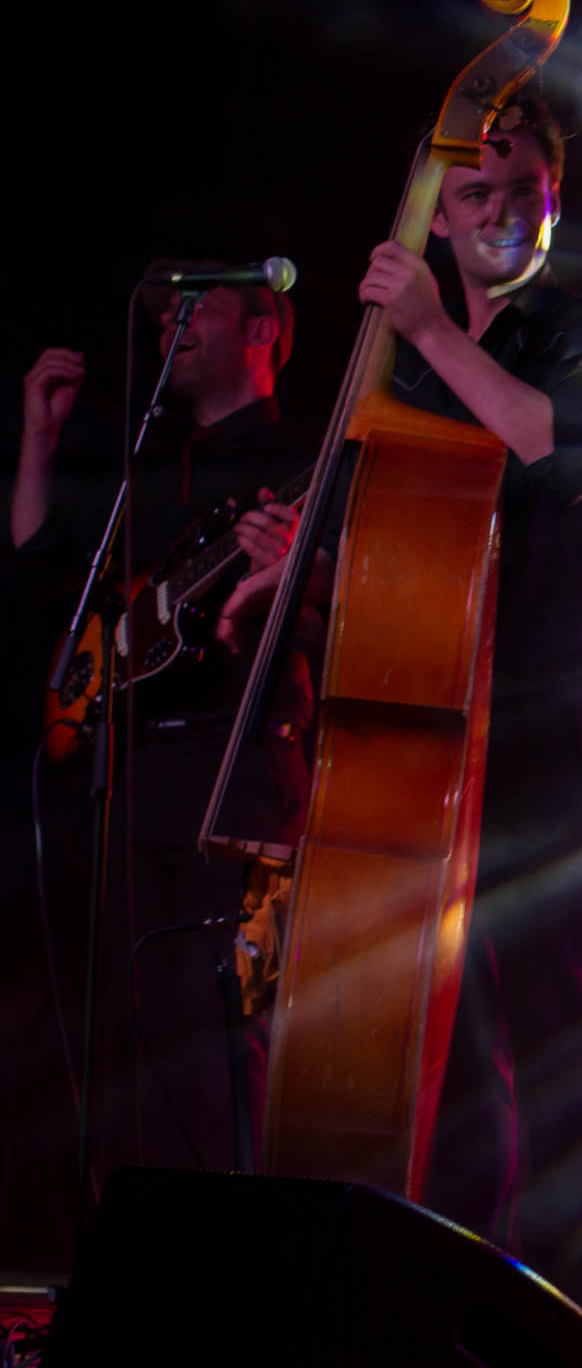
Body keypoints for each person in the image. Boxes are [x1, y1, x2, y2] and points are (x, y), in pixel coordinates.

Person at [349, 90, 582, 1299]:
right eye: (473, 193)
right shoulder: (414, 363)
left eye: (520, 191)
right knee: (451, 1053)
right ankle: (448, 1295)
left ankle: (567, 1307)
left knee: (551, 1032)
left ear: (553, 200)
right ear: (441, 214)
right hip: (424, 731)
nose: (498, 212)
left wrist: (429, 334)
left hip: (536, 732)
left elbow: (548, 446)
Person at [7, 269, 312, 1224]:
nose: (174, 324)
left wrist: (294, 566)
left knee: (216, 1027)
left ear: (260, 327)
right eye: (166, 312)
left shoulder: (301, 455)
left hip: (233, 760)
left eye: (198, 307)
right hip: (129, 771)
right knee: (127, 1036)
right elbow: (45, 576)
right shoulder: (149, 463)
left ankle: (243, 1257)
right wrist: (40, 439)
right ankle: (147, 1257)